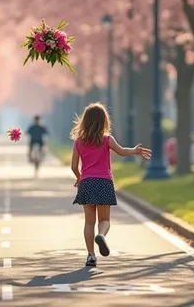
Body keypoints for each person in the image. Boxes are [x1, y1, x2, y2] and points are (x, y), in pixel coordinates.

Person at [70, 102, 151, 267]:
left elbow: (73, 166)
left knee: (89, 222)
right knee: (105, 219)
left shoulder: (79, 141)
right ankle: (102, 235)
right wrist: (135, 150)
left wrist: (79, 177)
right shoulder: (107, 139)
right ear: (104, 121)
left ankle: (91, 256)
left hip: (86, 183)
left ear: (84, 121)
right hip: (104, 182)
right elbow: (121, 151)